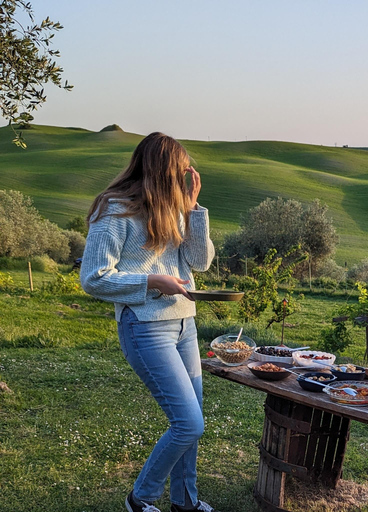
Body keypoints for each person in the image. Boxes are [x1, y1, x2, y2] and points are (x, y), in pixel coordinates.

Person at [80, 132, 216, 512]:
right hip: (145, 325)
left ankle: (185, 502)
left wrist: (192, 209)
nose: (181, 183)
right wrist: (151, 281)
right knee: (188, 423)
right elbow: (93, 277)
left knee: (193, 422)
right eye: (178, 175)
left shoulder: (174, 208)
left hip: (184, 324)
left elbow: (200, 262)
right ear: (160, 172)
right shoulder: (115, 211)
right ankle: (140, 499)